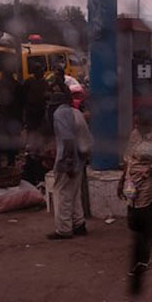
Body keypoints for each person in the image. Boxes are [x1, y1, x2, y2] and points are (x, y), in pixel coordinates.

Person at [118, 109, 152, 293]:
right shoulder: (134, 135)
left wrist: (151, 170)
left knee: (144, 222)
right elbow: (128, 159)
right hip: (132, 183)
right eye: (135, 123)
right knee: (133, 222)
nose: (136, 126)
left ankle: (143, 262)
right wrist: (122, 180)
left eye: (139, 123)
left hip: (149, 187)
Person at [48, 91, 92, 240]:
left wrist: (67, 163)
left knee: (62, 194)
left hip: (68, 160)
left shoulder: (60, 114)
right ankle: (79, 224)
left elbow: (67, 139)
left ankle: (64, 229)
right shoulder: (76, 112)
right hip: (80, 159)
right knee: (74, 194)